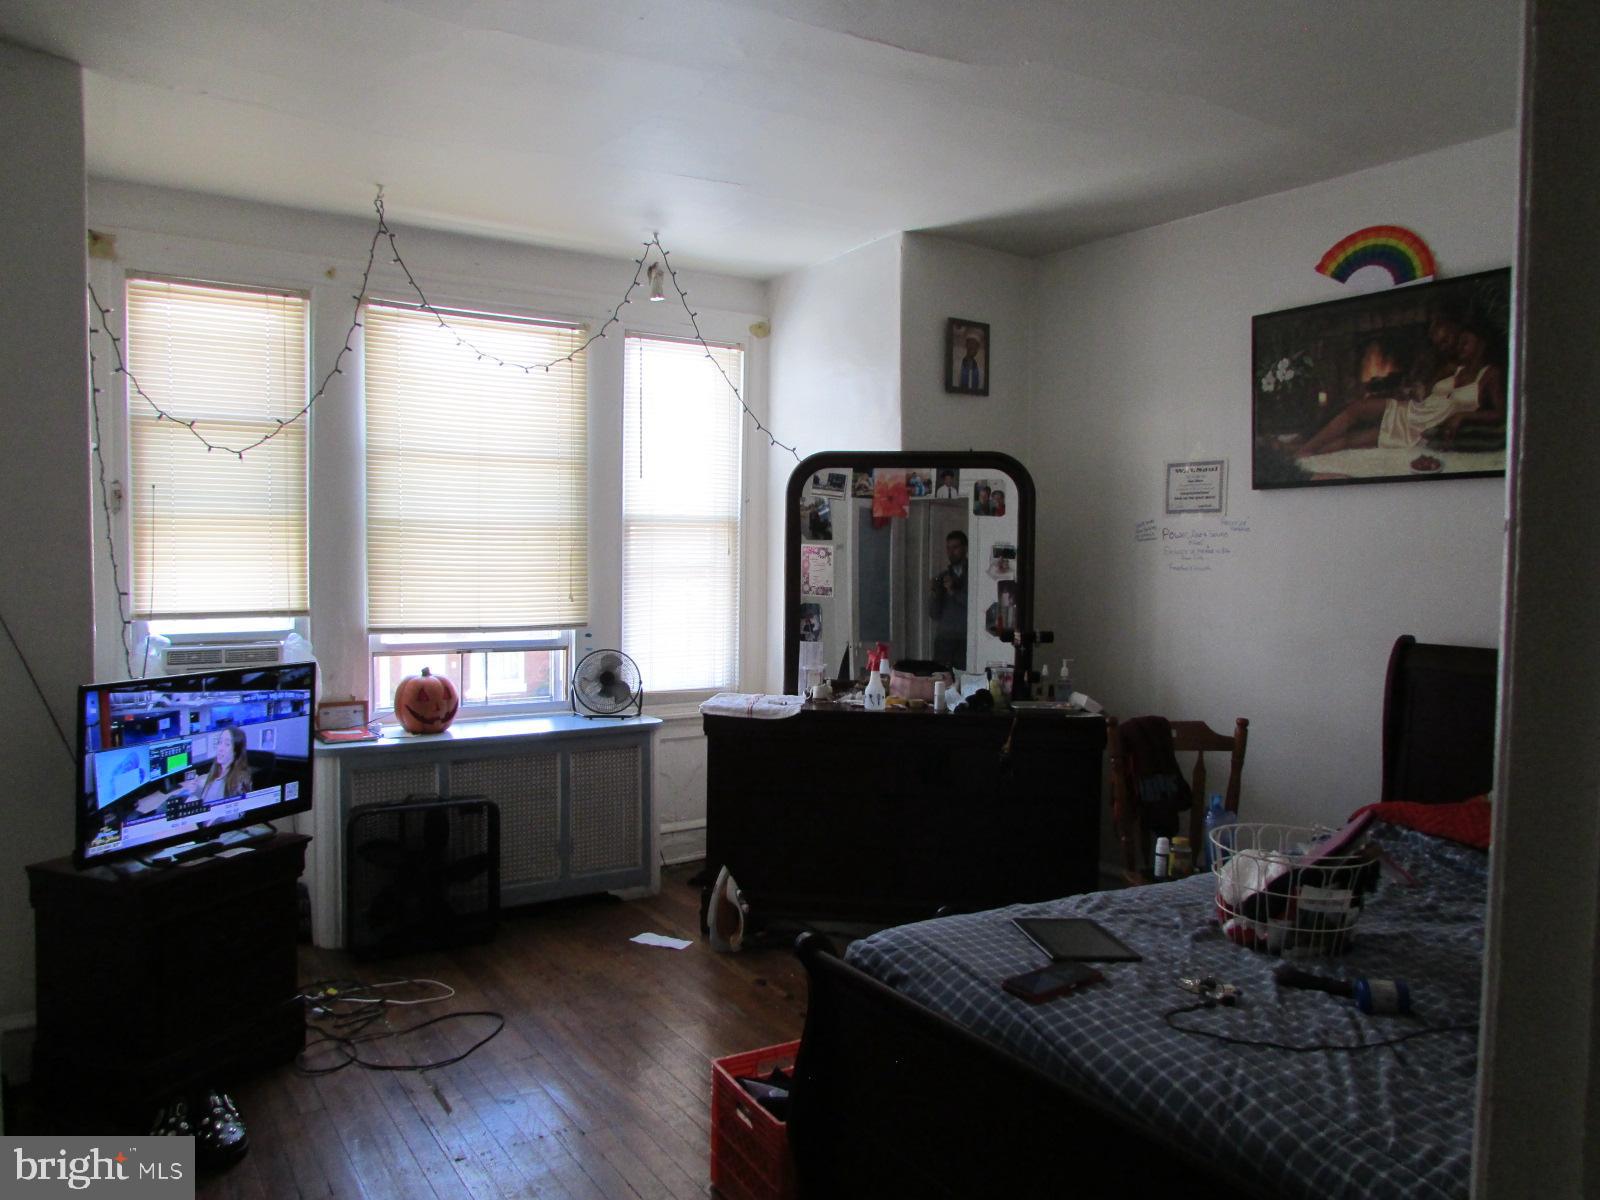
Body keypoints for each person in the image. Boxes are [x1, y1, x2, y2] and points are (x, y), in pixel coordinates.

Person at [1295, 314, 1502, 457]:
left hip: (1423, 429)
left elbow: (1501, 413)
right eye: (1459, 343)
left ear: (1481, 342)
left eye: (1465, 343)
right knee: (1355, 409)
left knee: (1353, 441)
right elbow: (1425, 392)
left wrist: (1463, 415)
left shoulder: (1490, 375)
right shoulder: (1453, 368)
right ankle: (1304, 449)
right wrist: (1411, 391)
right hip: (1414, 412)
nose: (1459, 347)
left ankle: (1306, 452)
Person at [929, 530, 969, 670]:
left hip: (965, 638)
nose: (951, 552)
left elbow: (975, 605)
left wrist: (953, 592)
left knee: (964, 678)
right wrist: (935, 593)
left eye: (955, 547)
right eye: (948, 548)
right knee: (939, 677)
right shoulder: (943, 576)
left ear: (965, 548)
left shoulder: (974, 575)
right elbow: (934, 614)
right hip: (944, 639)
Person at [180, 727, 252, 804]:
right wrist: (195, 788)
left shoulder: (237, 782)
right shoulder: (216, 771)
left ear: (236, 751)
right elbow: (205, 793)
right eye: (220, 742)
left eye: (227, 744)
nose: (220, 748)